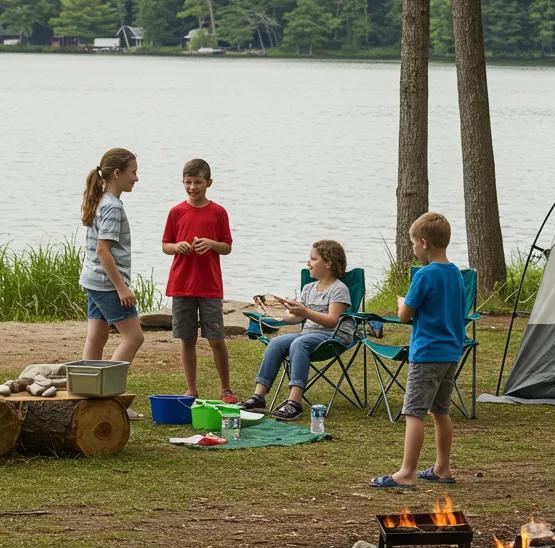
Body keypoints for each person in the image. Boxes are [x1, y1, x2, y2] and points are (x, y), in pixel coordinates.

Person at [370, 212, 464, 489]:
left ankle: (406, 473)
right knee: (441, 410)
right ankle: (442, 468)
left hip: (427, 353)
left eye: (413, 243)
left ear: (423, 243)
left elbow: (404, 315)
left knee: (414, 413)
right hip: (450, 352)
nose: (413, 249)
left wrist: (402, 303)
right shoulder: (456, 273)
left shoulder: (425, 275)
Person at [240, 240, 353, 421]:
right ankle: (258, 397)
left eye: (313, 259)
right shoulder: (309, 288)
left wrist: (305, 311)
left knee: (300, 342)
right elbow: (299, 318)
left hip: (333, 337)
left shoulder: (339, 289)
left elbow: (332, 321)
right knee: (277, 342)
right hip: (309, 335)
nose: (308, 262)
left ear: (328, 263)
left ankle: (294, 402)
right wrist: (281, 313)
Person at [161, 158, 234, 402]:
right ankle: (191, 388)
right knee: (187, 338)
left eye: (198, 182)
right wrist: (177, 247)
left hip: (210, 286)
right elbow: (165, 245)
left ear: (209, 183)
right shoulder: (176, 212)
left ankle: (226, 388)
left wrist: (211, 244)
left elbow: (227, 247)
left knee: (215, 338)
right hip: (182, 285)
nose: (193, 187)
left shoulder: (218, 212)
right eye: (188, 182)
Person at [79, 148, 145, 364]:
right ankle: (109, 385)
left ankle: (89, 386)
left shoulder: (99, 200)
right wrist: (121, 287)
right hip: (107, 284)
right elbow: (102, 250)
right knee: (134, 337)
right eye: (133, 172)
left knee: (97, 337)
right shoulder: (112, 207)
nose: (136, 178)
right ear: (117, 173)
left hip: (92, 279)